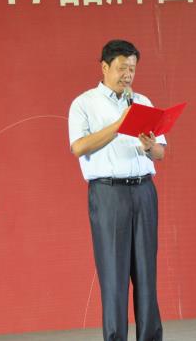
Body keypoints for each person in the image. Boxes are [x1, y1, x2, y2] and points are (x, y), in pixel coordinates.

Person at [68, 39, 166, 341]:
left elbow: (161, 152)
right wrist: (120, 124)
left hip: (144, 191)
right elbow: (79, 147)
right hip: (109, 194)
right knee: (114, 276)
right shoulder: (84, 103)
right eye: (122, 68)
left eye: (132, 69)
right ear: (105, 67)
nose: (128, 75)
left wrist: (150, 146)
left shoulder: (144, 101)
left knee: (147, 274)